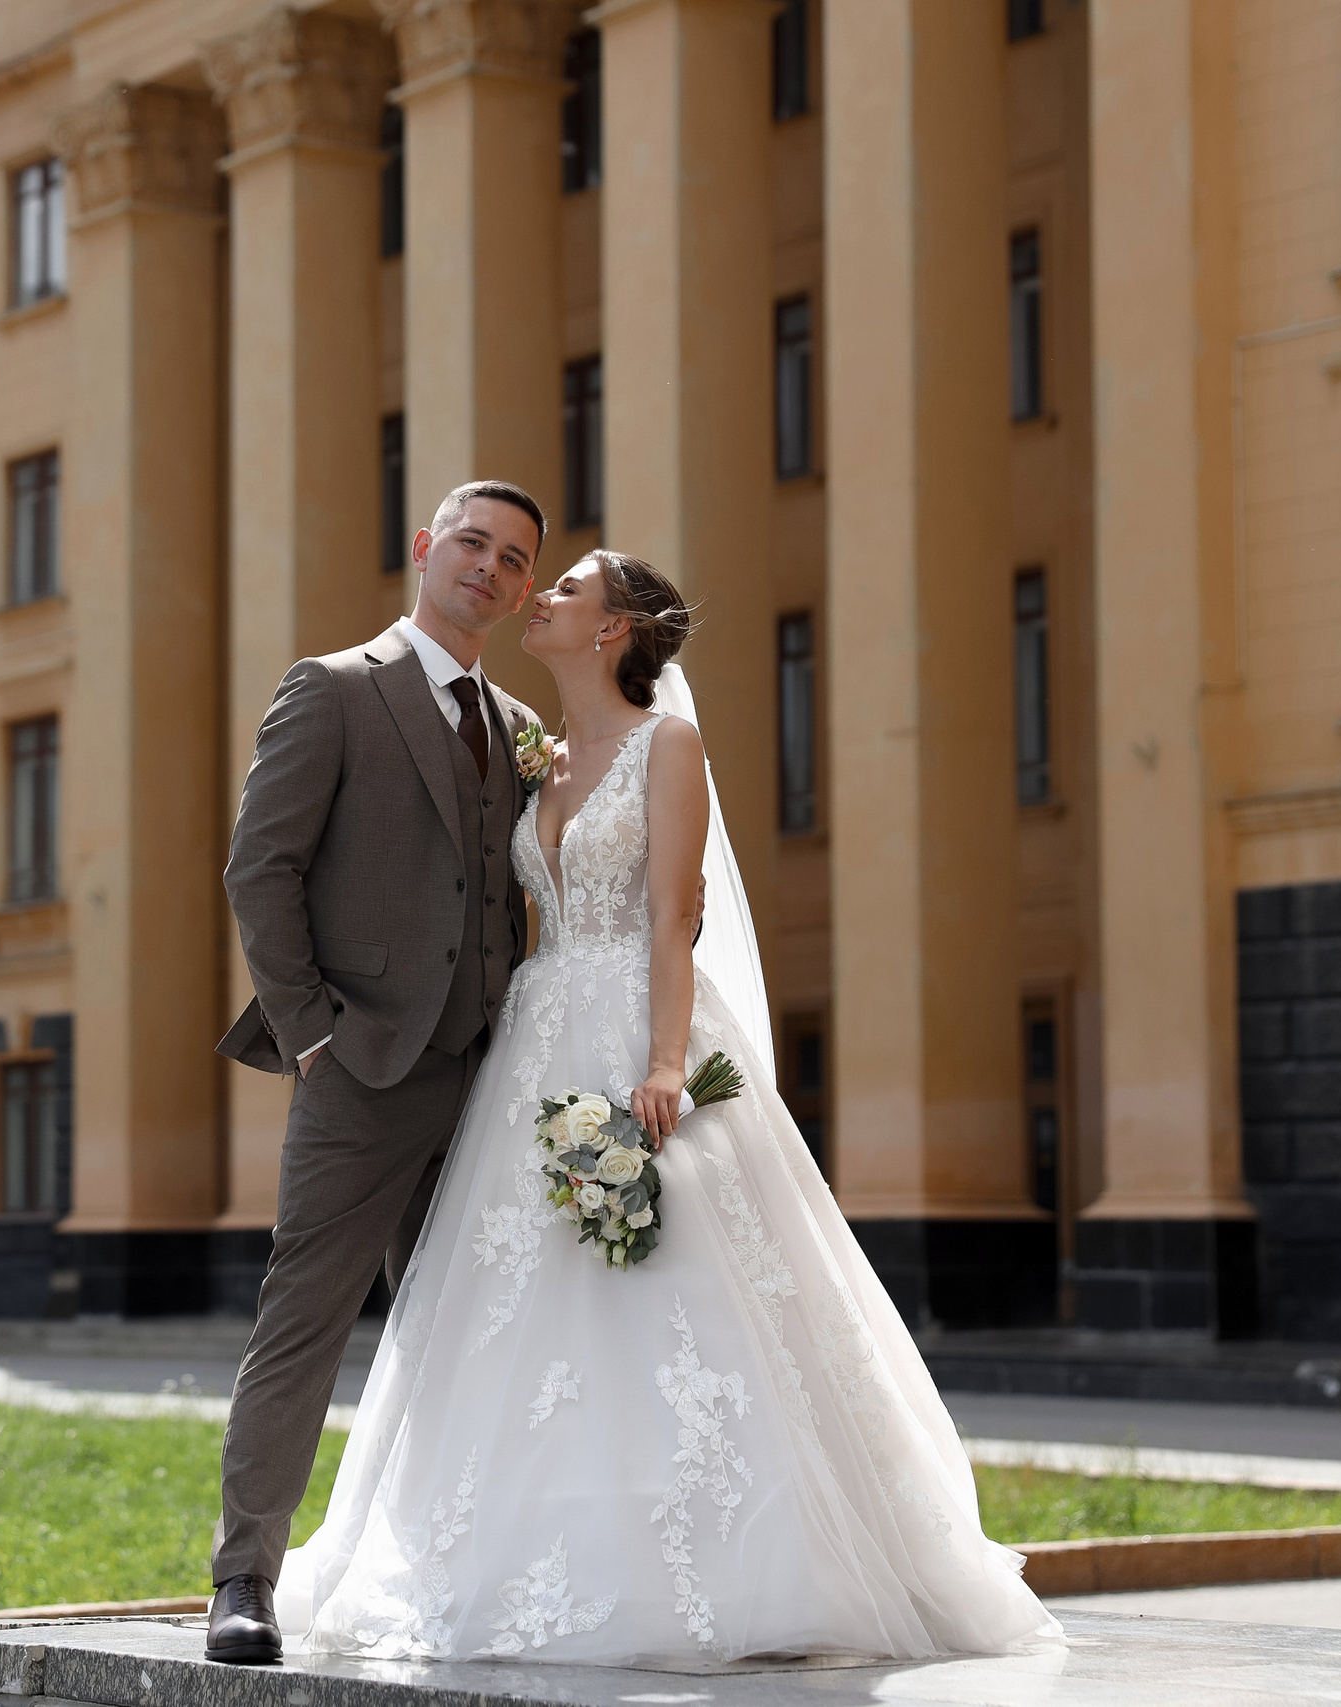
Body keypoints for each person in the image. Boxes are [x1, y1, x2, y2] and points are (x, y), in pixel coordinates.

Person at [268, 551, 1064, 1668]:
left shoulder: (666, 746)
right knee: (524, 1296)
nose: (533, 596)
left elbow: (671, 918)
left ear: (615, 630)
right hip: (532, 1045)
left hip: (638, 1026)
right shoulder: (534, 754)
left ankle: (727, 1555)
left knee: (678, 1286)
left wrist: (659, 1066)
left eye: (563, 590)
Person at [208, 480, 547, 1664]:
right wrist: (312, 1033)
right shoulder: (336, 688)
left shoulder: (513, 723)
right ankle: (242, 1578)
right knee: (303, 1323)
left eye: (513, 560)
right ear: (422, 549)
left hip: (487, 1080)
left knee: (469, 1332)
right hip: (360, 1073)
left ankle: (454, 1569)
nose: (488, 569)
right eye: (471, 543)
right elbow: (261, 871)